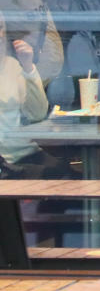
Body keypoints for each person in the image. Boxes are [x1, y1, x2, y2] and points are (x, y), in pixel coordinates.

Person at [0, 11, 68, 178]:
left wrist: (28, 67)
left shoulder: (12, 66)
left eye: (1, 27)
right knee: (57, 180)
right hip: (6, 163)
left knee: (74, 179)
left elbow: (37, 113)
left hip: (26, 153)